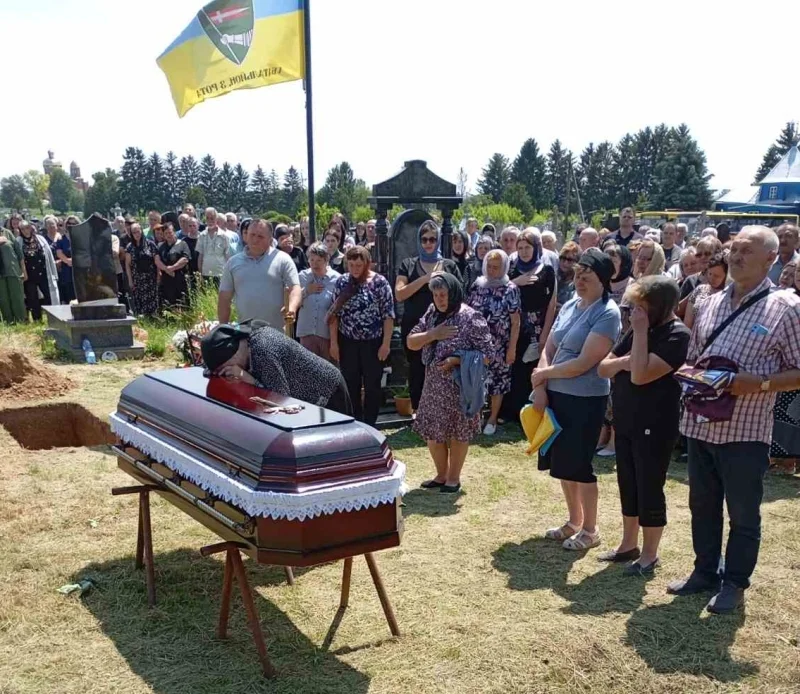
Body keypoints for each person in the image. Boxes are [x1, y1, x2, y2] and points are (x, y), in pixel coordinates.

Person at [668, 226, 800, 614]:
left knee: (742, 513)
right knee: (702, 505)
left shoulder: (787, 308)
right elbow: (694, 355)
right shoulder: (709, 301)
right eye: (734, 249)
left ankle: (735, 583)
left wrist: (759, 383)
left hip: (746, 431)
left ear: (770, 259)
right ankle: (705, 572)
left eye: (747, 250)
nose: (737, 256)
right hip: (700, 423)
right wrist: (692, 375)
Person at [597, 276, 690, 575]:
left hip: (655, 423)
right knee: (628, 482)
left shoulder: (677, 335)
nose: (634, 312)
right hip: (626, 418)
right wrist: (627, 360)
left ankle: (650, 555)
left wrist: (637, 336)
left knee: (649, 486)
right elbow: (603, 368)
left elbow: (640, 376)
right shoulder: (641, 329)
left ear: (658, 305)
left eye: (641, 306)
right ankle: (628, 545)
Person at [531, 248, 622, 551]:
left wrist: (543, 375)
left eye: (587, 276)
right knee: (561, 464)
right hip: (556, 393)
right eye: (578, 275)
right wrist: (542, 383)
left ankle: (591, 530)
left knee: (579, 466)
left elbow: (584, 363)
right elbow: (549, 347)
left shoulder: (607, 313)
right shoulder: (570, 304)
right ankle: (573, 521)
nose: (579, 281)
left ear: (603, 279)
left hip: (585, 399)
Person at [408, 273, 494, 493]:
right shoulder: (432, 314)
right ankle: (441, 475)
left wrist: (456, 360)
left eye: (443, 295)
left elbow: (488, 355)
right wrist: (433, 334)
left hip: (460, 387)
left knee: (458, 433)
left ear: (453, 293)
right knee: (433, 433)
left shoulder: (471, 317)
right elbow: (411, 342)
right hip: (433, 386)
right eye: (435, 295)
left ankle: (453, 479)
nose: (439, 299)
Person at [200, 321, 351, 415]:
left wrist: (247, 378)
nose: (224, 372)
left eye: (224, 368)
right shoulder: (245, 345)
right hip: (306, 399)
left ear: (233, 353)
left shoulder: (263, 350)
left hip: (327, 393)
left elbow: (280, 400)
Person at [395, 221, 463, 412]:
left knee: (443, 368)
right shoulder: (408, 265)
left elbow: (460, 294)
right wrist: (426, 279)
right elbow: (399, 294)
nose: (428, 243)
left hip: (445, 327)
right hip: (416, 327)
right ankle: (418, 413)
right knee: (416, 370)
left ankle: (443, 412)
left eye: (432, 239)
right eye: (424, 239)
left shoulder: (449, 265)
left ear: (438, 240)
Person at [329, 246, 395, 426]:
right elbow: (334, 315)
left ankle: (371, 424)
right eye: (351, 265)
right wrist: (334, 343)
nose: (355, 269)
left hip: (373, 343)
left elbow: (388, 315)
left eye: (359, 265)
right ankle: (356, 423)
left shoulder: (379, 282)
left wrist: (386, 344)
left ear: (366, 263)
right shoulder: (342, 282)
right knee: (351, 384)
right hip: (348, 341)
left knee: (373, 385)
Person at [502, 230, 557, 422]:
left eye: (528, 247)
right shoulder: (511, 269)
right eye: (520, 248)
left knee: (530, 369)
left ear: (536, 248)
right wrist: (516, 282)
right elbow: (499, 291)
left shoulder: (546, 270)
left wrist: (545, 334)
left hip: (537, 329)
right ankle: (509, 411)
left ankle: (528, 412)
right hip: (513, 327)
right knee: (513, 367)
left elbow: (551, 304)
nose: (524, 252)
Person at [467, 249, 521, 435]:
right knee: (476, 381)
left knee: (498, 383)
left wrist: (512, 348)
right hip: (476, 344)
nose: (491, 270)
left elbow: (515, 322)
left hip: (500, 344)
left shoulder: (511, 289)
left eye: (496, 267)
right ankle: (477, 416)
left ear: (504, 268)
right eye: (489, 266)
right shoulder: (477, 285)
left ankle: (492, 418)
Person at [219, 219, 301, 329]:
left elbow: (295, 288)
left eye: (260, 236)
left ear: (270, 239)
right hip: (245, 332)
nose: (255, 240)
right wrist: (223, 329)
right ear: (246, 235)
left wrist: (292, 308)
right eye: (252, 235)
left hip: (276, 332)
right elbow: (224, 298)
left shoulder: (283, 260)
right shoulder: (233, 263)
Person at [297, 242, 338, 360]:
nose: (315, 264)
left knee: (328, 368)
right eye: (312, 260)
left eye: (319, 260)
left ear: (326, 260)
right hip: (306, 333)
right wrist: (307, 291)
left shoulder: (336, 279)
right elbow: (292, 301)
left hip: (327, 335)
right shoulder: (302, 276)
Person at [15, 220, 59, 320]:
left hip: (43, 272)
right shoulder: (18, 241)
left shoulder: (40, 239)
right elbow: (18, 258)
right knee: (32, 298)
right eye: (22, 229)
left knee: (49, 295)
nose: (25, 231)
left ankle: (52, 317)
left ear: (31, 228)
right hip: (29, 274)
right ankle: (37, 319)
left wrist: (53, 272)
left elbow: (49, 255)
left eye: (27, 228)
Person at [684, 251, 728, 331]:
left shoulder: (729, 296)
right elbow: (687, 323)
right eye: (710, 274)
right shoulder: (699, 290)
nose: (712, 278)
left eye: (717, 276)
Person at [125, 223, 159, 317]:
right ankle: (143, 321)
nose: (136, 234)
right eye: (134, 232)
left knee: (152, 303)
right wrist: (130, 281)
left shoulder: (150, 244)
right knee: (139, 305)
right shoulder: (129, 247)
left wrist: (158, 276)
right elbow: (127, 265)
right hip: (137, 280)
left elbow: (157, 261)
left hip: (150, 279)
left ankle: (153, 320)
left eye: (138, 231)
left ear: (141, 231)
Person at [155, 223, 191, 310]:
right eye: (166, 233)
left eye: (170, 232)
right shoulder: (160, 246)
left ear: (174, 232)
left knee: (182, 304)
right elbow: (157, 260)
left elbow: (185, 259)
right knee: (169, 305)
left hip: (180, 279)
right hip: (166, 280)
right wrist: (166, 269)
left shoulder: (182, 244)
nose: (168, 235)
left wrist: (172, 268)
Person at [679, 236, 723, 301]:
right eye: (699, 255)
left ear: (718, 255)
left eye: (707, 254)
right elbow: (679, 306)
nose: (702, 257)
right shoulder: (691, 281)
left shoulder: (725, 281)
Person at [197, 208, 230, 288]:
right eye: (207, 218)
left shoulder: (224, 236)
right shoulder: (202, 235)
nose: (209, 221)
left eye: (212, 218)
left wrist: (228, 274)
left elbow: (227, 256)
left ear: (216, 219)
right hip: (205, 273)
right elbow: (200, 256)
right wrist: (200, 274)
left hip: (220, 273)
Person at [0, 225, 27, 323]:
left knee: (17, 297)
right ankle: (9, 322)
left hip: (13, 270)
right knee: (3, 299)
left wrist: (24, 271)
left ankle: (21, 321)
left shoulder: (7, 233)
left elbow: (19, 254)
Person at [55, 216, 78, 304]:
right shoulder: (61, 239)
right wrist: (68, 261)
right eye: (69, 223)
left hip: (80, 269)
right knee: (70, 295)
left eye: (74, 223)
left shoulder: (81, 237)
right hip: (67, 269)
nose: (71, 225)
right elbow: (59, 253)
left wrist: (76, 260)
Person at [556, 241, 579, 309]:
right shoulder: (554, 277)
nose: (565, 263)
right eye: (563, 258)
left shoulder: (578, 282)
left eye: (570, 260)